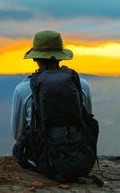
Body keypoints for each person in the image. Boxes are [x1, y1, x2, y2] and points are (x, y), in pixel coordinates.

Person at [10, 30, 94, 171]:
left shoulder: (23, 89)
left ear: (35, 59)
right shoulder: (81, 85)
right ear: (61, 58)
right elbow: (86, 122)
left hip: (43, 161)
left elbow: (17, 133)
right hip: (79, 158)